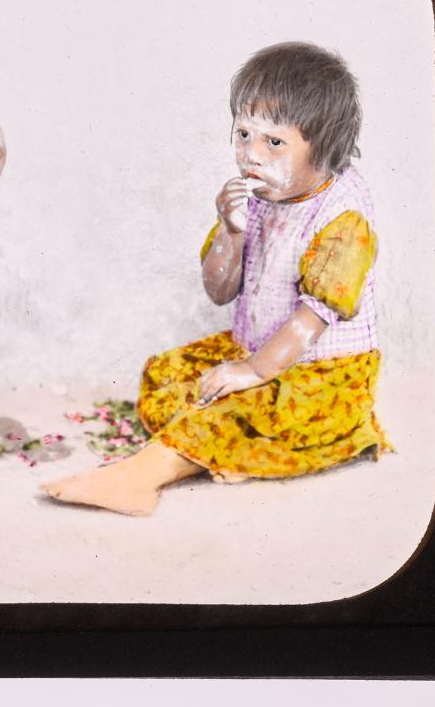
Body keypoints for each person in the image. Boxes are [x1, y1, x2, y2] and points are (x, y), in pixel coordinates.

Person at [43, 42, 389, 516]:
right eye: (244, 134)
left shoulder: (343, 218)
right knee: (170, 374)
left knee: (234, 410)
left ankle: (139, 480)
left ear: (323, 145)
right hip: (258, 350)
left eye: (274, 142)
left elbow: (309, 323)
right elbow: (220, 290)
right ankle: (225, 456)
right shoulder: (258, 198)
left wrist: (252, 373)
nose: (251, 155)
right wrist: (232, 231)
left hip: (318, 374)